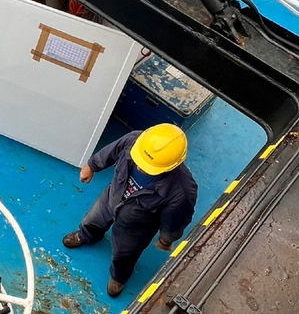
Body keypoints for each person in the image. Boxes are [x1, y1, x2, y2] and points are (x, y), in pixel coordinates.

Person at [62, 124, 198, 298]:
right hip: (111, 198)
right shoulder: (135, 140)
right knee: (92, 220)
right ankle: (86, 235)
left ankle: (119, 277)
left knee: (125, 253)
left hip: (137, 226)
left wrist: (166, 239)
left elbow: (176, 219)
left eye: (149, 167)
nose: (140, 167)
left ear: (171, 166)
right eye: (140, 160)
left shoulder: (182, 191)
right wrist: (91, 166)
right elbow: (111, 151)